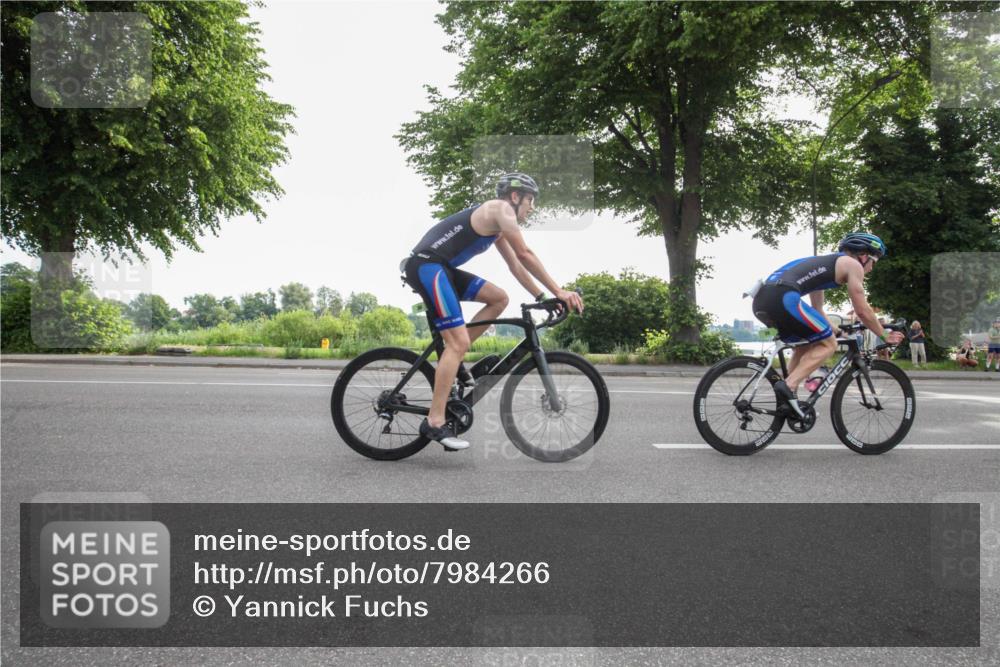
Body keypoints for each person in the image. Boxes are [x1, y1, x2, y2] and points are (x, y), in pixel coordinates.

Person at [401, 173, 584, 450]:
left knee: (499, 298)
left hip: (442, 269)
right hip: (427, 267)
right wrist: (560, 291)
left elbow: (516, 266)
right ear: (514, 197)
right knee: (457, 342)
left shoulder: (498, 226)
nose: (532, 207)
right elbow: (525, 254)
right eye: (530, 200)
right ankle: (435, 422)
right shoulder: (500, 210)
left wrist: (541, 297)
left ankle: (456, 355)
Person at [751, 232, 904, 419]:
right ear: (864, 256)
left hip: (763, 299)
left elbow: (818, 311)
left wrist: (840, 331)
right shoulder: (853, 265)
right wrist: (883, 335)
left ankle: (786, 399)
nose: (871, 268)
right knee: (829, 344)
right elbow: (862, 310)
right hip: (783, 296)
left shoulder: (823, 266)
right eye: (874, 262)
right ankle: (789, 385)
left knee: (806, 343)